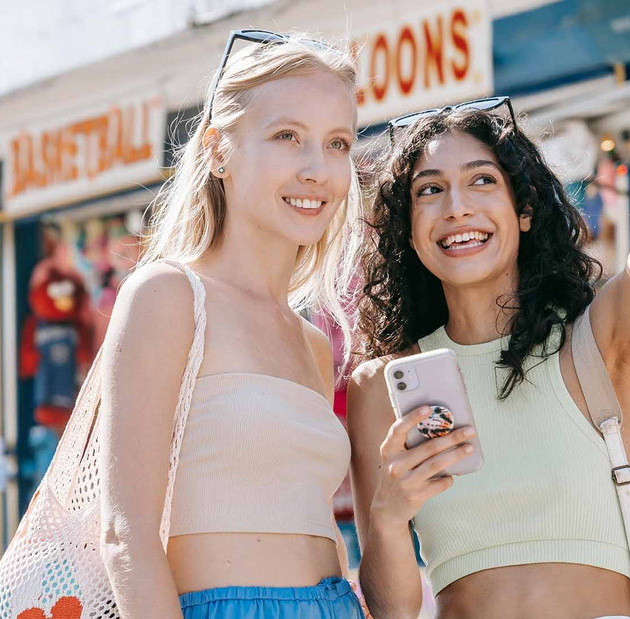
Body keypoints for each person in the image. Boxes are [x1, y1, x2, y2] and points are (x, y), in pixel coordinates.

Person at [347, 21, 630, 619]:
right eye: (429, 190)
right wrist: (390, 516)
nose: (457, 208)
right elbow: (390, 610)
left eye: (482, 181)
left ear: (523, 212)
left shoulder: (596, 339)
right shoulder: (381, 388)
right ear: (409, 233)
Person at [98, 30, 366, 617]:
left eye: (338, 143)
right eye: (287, 137)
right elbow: (125, 536)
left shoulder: (314, 344)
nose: (317, 169)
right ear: (218, 151)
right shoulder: (168, 297)